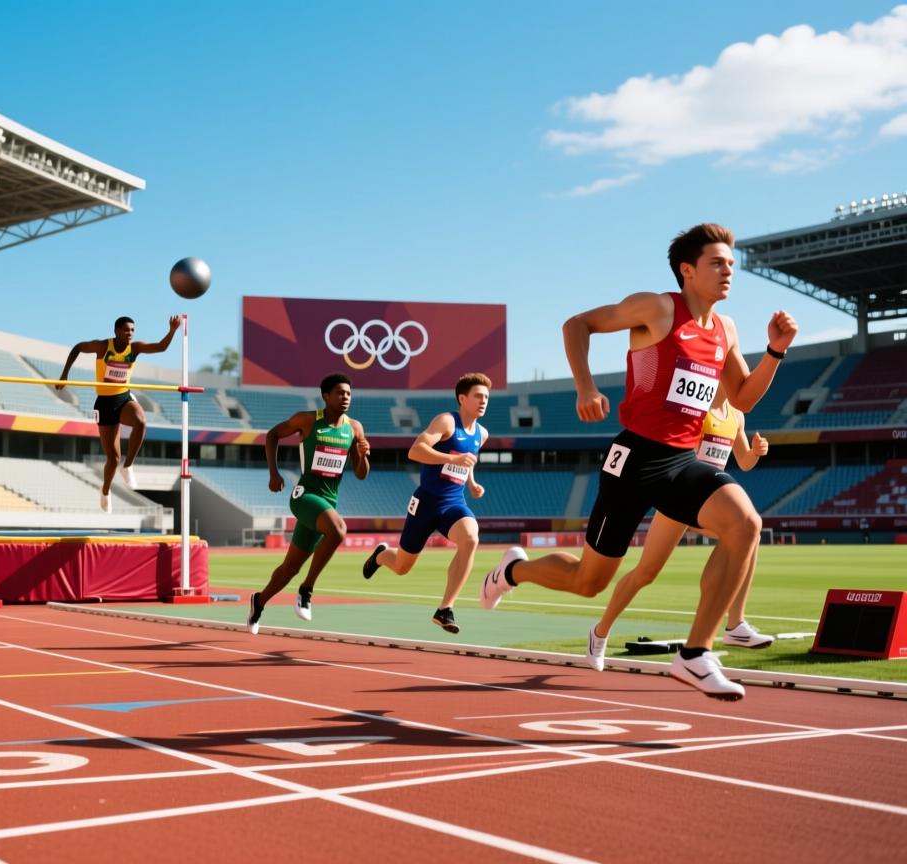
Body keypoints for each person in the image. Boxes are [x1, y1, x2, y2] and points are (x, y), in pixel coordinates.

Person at [480, 223, 797, 700]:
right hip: (634, 458)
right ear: (688, 271)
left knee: (745, 523)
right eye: (716, 263)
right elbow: (576, 325)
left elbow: (743, 395)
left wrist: (775, 351)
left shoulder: (725, 329)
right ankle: (513, 571)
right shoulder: (658, 307)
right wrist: (586, 387)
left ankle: (695, 654)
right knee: (589, 582)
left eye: (731, 264)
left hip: (681, 461)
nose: (727, 271)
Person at [586, 384, 773, 671]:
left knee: (746, 531)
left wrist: (756, 452)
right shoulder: (696, 409)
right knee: (645, 574)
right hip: (677, 495)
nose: (740, 381)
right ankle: (600, 632)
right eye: (735, 375)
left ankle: (735, 624)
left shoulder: (736, 416)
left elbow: (744, 461)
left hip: (707, 503)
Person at [361, 372, 492, 633]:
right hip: (426, 502)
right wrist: (453, 461)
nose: (483, 401)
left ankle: (445, 608)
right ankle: (380, 556)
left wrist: (471, 482)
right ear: (462, 398)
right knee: (401, 567)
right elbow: (415, 450)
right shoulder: (446, 421)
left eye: (487, 397)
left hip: (453, 503)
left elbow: (467, 458)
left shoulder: (482, 433)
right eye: (478, 396)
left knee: (471, 538)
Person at [247, 372, 369, 634]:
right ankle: (307, 588)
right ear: (326, 396)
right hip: (304, 495)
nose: (345, 397)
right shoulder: (308, 420)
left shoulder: (355, 428)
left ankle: (259, 601)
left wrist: (362, 454)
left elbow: (361, 473)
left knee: (290, 567)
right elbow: (272, 435)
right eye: (339, 393)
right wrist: (273, 473)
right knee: (338, 530)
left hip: (327, 501)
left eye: (348, 393)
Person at [57, 315, 182, 512]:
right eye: (126, 330)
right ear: (116, 331)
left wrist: (173, 330)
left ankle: (129, 465)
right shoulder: (103, 347)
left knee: (141, 421)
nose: (130, 333)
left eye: (132, 330)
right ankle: (105, 491)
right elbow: (78, 347)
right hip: (104, 404)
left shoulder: (135, 348)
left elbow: (160, 347)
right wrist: (64, 374)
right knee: (113, 459)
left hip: (123, 398)